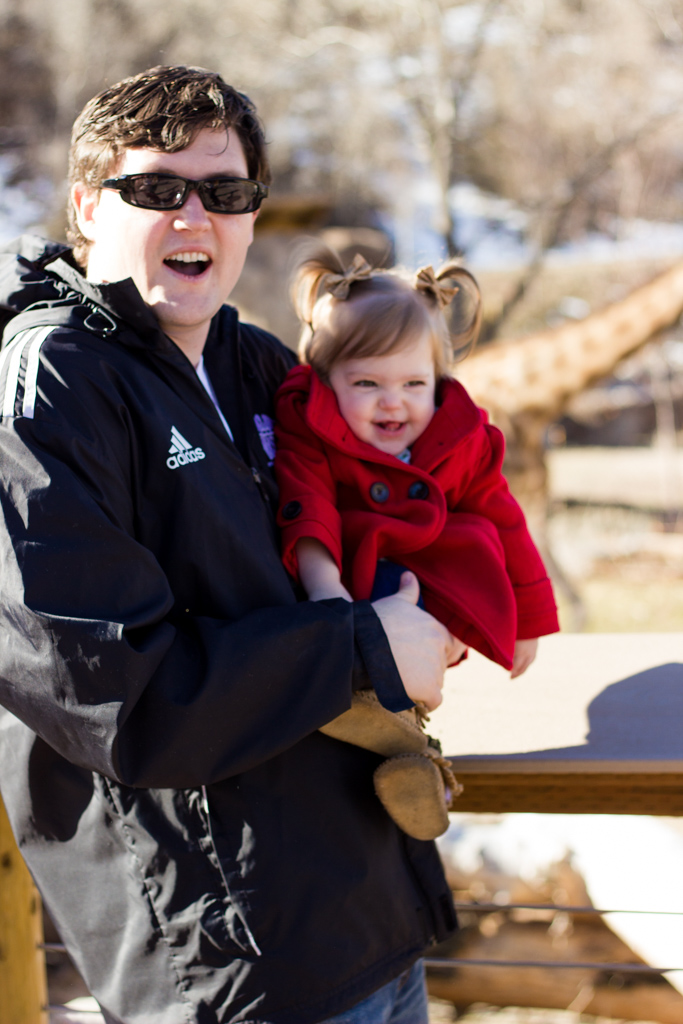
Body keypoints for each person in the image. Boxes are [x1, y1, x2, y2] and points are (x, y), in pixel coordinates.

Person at [0, 66, 462, 1024]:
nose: (194, 217)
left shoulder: (252, 359)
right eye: (156, 189)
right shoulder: (49, 387)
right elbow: (112, 697)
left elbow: (383, 503)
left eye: (225, 192)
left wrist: (444, 600)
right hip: (236, 964)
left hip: (367, 912)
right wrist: (368, 647)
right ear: (87, 207)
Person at [273, 245, 559, 839]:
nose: (393, 401)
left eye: (413, 382)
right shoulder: (309, 425)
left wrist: (529, 618)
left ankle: (405, 738)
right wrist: (327, 595)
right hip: (359, 587)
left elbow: (504, 517)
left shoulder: (464, 436)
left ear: (439, 379)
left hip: (442, 586)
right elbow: (309, 506)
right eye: (366, 383)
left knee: (422, 649)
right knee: (378, 644)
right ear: (325, 380)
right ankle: (409, 754)